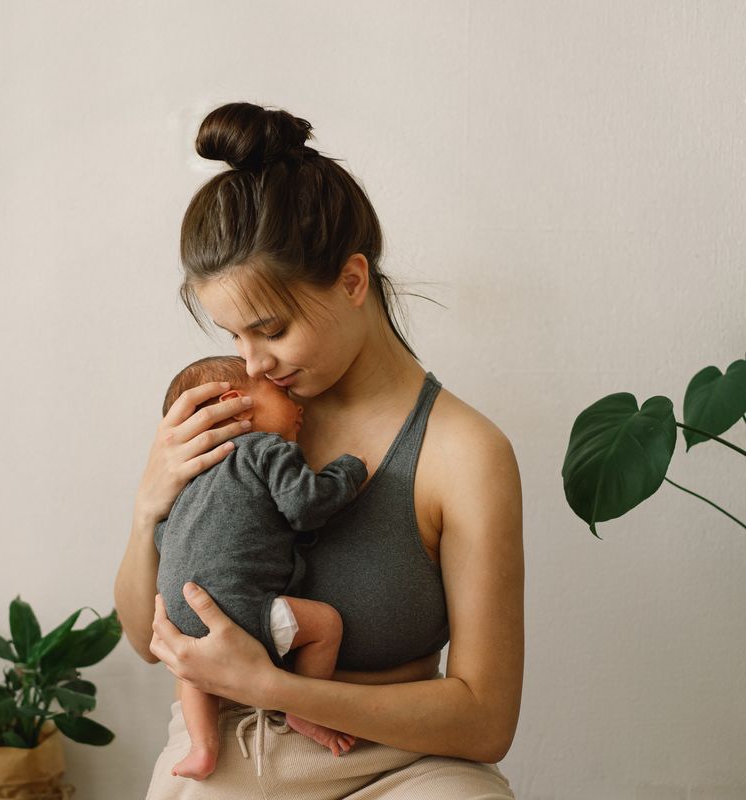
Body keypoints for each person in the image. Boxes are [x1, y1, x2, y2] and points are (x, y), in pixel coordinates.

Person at [113, 102, 523, 799]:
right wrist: (147, 508)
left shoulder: (464, 453)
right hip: (221, 759)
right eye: (233, 334)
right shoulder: (238, 416)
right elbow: (141, 639)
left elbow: (486, 721)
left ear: (353, 281)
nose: (253, 363)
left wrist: (273, 686)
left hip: (397, 767)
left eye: (271, 329)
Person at [156, 354, 369, 780]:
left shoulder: (188, 482)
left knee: (193, 672)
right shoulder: (266, 448)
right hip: (240, 610)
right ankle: (305, 710)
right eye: (284, 394)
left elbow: (165, 537)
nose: (300, 407)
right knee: (325, 623)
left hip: (178, 614)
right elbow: (306, 505)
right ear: (237, 405)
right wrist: (348, 471)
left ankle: (201, 748)